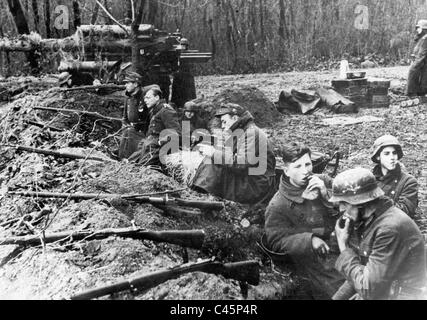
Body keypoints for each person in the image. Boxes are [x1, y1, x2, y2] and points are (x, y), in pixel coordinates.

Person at [263, 143, 345, 299]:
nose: (305, 170)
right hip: (317, 259)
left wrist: (326, 194)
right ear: (286, 170)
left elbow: (350, 204)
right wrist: (309, 240)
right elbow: (276, 241)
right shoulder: (278, 204)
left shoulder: (323, 181)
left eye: (308, 164)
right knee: (343, 290)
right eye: (298, 166)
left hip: (343, 242)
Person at [331, 168, 426, 300]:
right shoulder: (372, 220)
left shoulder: (389, 228)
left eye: (344, 203)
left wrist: (343, 247)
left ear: (361, 203)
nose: (341, 208)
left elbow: (369, 290)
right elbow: (361, 272)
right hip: (387, 290)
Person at [191, 103, 276, 205]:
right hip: (251, 176)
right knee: (213, 160)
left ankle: (200, 196)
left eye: (224, 122)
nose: (222, 126)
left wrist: (213, 153)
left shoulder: (251, 133)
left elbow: (241, 163)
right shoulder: (242, 131)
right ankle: (200, 193)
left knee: (213, 162)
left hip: (257, 183)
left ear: (235, 118)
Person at [128, 87, 181, 167]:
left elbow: (176, 133)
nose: (145, 100)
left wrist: (160, 142)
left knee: (142, 167)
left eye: (148, 98)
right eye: (144, 98)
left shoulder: (166, 111)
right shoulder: (154, 110)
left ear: (157, 97)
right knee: (130, 163)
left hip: (159, 147)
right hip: (149, 145)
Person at [371, 135, 419, 218]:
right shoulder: (369, 180)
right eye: (386, 154)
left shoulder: (408, 181)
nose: (392, 157)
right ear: (378, 157)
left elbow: (405, 211)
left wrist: (375, 202)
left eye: (394, 153)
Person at [117, 72, 156, 159]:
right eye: (125, 83)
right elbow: (125, 116)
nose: (125, 85)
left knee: (134, 158)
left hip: (142, 133)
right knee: (122, 154)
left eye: (128, 83)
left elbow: (152, 117)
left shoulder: (145, 97)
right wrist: (125, 126)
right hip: (129, 131)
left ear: (135, 84)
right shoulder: (128, 97)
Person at [406, 19, 427, 96]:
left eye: (419, 28)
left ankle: (412, 93)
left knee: (413, 71)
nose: (417, 30)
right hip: (421, 61)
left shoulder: (425, 38)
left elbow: (422, 53)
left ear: (424, 29)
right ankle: (419, 93)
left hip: (423, 61)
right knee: (423, 78)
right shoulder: (421, 38)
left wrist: (415, 64)